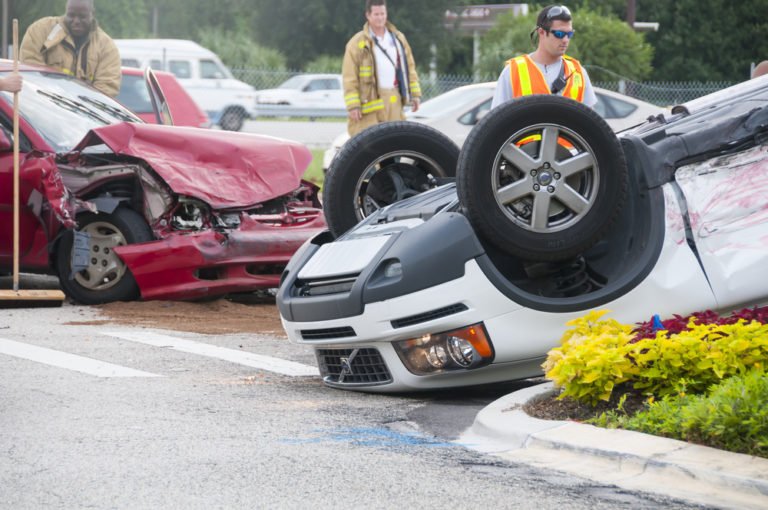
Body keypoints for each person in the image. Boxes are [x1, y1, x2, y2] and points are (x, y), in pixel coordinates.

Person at [491, 5, 597, 109]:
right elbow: (496, 120)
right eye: (559, 34)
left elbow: (590, 122)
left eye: (569, 34)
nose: (565, 40)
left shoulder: (577, 72)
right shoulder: (513, 71)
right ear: (541, 32)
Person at [342, 0, 421, 137]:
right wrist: (353, 105)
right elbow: (350, 77)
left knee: (395, 141)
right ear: (368, 15)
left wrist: (415, 95)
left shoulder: (398, 39)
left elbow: (409, 68)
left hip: (394, 98)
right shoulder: (357, 43)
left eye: (383, 14)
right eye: (376, 14)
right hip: (371, 103)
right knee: (370, 145)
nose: (380, 18)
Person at [20, 0, 120, 97]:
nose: (76, 21)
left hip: (84, 111)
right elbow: (32, 73)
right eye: (71, 15)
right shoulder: (41, 30)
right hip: (45, 105)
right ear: (65, 11)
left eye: (82, 16)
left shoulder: (106, 47)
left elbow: (106, 89)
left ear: (92, 14)